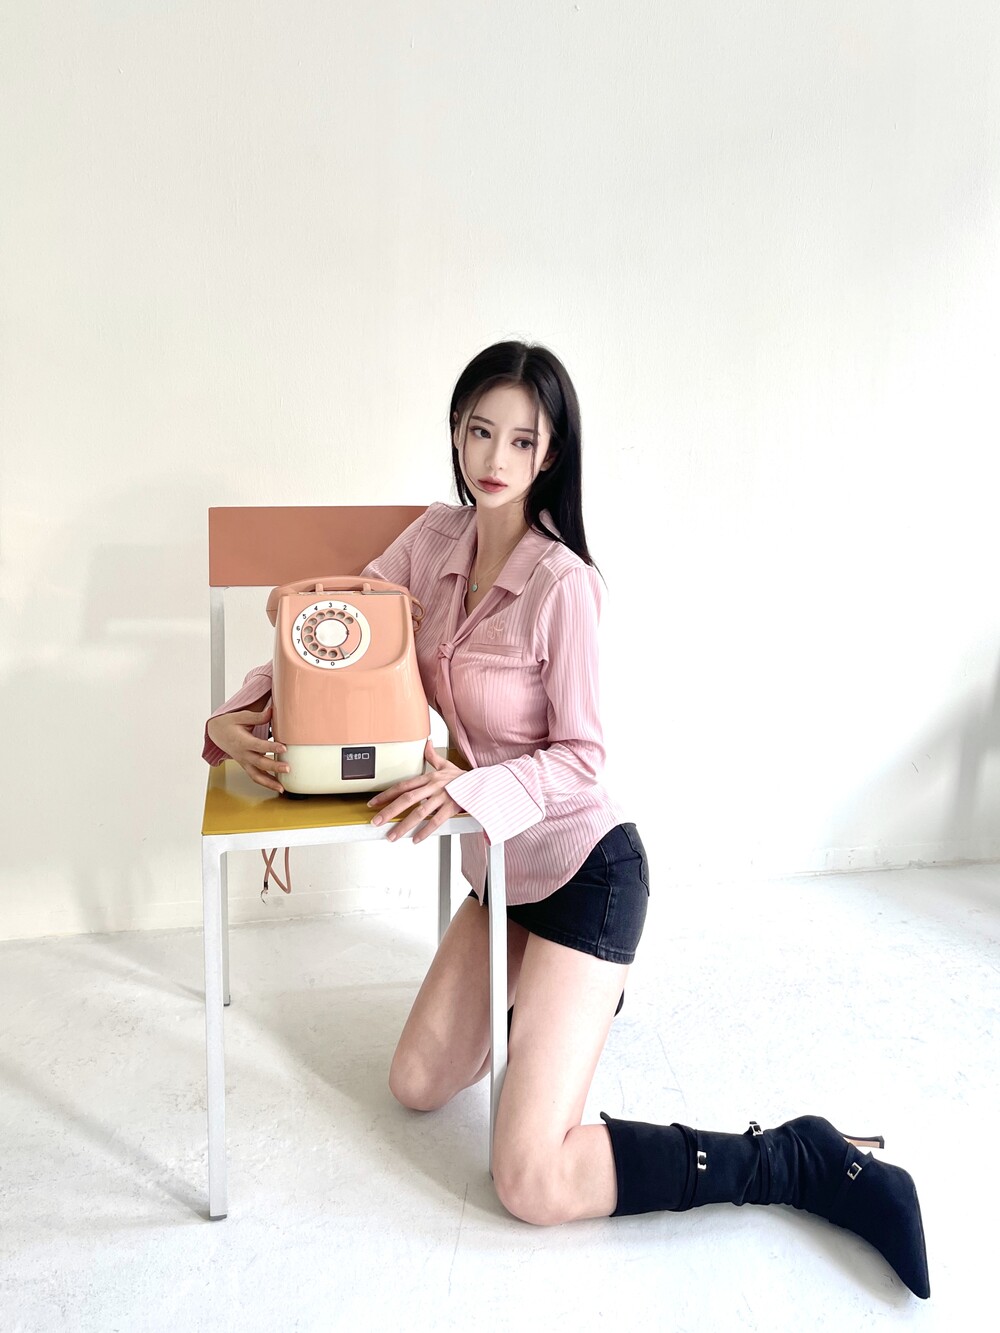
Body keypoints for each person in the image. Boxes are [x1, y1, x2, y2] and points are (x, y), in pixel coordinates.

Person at [202, 341, 930, 1299]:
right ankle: (565, 1001)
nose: (494, 457)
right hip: (503, 881)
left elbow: (583, 755)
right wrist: (234, 714)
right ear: (455, 431)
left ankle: (800, 1160)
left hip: (588, 870)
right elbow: (341, 628)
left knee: (531, 1179)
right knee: (416, 1082)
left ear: (550, 452)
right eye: (479, 431)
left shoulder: (564, 584)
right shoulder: (429, 542)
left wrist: (469, 791)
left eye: (521, 439)